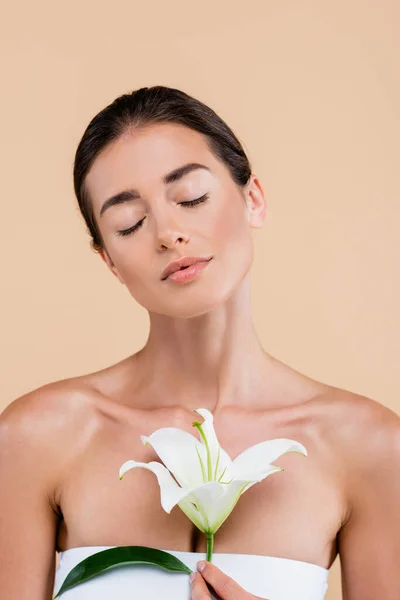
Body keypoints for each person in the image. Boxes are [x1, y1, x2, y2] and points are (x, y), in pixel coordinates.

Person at [0, 86, 399, 600]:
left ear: (252, 198)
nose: (168, 232)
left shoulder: (366, 445)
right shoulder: (37, 437)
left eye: (191, 197)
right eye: (129, 223)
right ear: (110, 262)